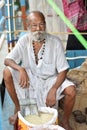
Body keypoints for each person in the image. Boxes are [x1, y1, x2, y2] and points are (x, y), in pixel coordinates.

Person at [3, 11, 76, 130]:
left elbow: (64, 70)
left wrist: (54, 89)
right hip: (30, 78)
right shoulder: (24, 40)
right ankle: (19, 108)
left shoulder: (55, 42)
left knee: (71, 90)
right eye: (34, 25)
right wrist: (20, 69)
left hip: (50, 80)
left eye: (42, 24)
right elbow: (7, 60)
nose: (38, 28)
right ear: (28, 27)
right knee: (7, 72)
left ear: (45, 25)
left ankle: (65, 121)